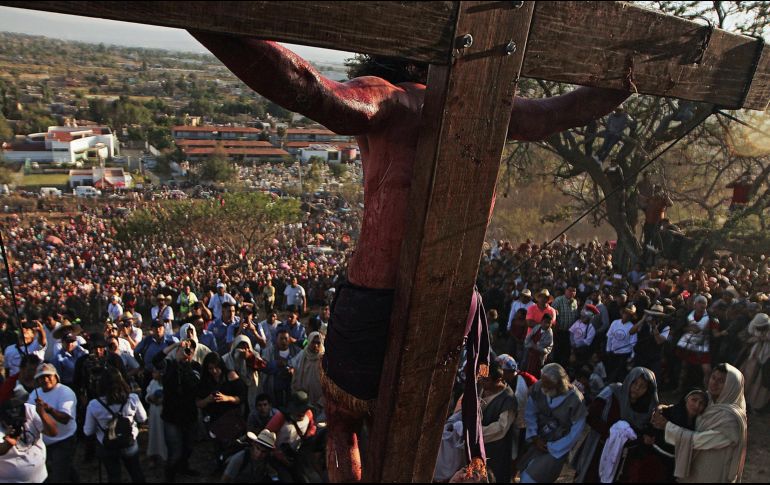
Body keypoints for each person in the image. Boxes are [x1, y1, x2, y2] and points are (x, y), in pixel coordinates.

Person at [190, 31, 629, 481]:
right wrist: (625, 77)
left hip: (375, 295)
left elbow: (307, 86)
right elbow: (560, 112)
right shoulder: (490, 109)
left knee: (343, 420)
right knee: (413, 426)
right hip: (449, 302)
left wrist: (205, 20)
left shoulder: (393, 99)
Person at [651, 363, 748, 483]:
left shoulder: (731, 420)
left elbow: (700, 440)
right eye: (713, 377)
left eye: (721, 381)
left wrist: (668, 426)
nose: (714, 383)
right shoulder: (708, 399)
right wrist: (665, 409)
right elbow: (687, 406)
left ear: (731, 386)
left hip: (712, 471)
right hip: (693, 465)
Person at [572, 367, 658, 482]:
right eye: (635, 383)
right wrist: (612, 433)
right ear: (629, 380)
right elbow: (591, 416)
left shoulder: (646, 409)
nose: (637, 388)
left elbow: (639, 434)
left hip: (622, 457)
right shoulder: (612, 392)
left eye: (643, 386)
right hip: (598, 446)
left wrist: (639, 439)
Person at [518, 363, 586, 483]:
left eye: (548, 385)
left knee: (533, 478)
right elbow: (530, 412)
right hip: (538, 439)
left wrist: (554, 447)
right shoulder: (539, 387)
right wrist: (534, 436)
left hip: (557, 446)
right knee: (525, 472)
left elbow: (576, 431)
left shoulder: (574, 399)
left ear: (559, 384)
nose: (543, 387)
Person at [83, 367, 146, 483]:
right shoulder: (132, 398)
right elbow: (143, 418)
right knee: (136, 472)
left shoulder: (94, 404)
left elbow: (88, 431)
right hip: (129, 441)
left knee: (113, 476)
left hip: (107, 445)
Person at [27, 363, 79, 482]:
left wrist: (48, 409)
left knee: (59, 475)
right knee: (62, 469)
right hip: (44, 441)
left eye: (48, 376)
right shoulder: (34, 394)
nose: (45, 379)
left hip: (64, 439)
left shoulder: (65, 392)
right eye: (41, 377)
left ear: (55, 376)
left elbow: (65, 419)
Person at [161, 339, 202, 482]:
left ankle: (184, 467)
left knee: (188, 447)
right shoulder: (169, 365)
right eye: (184, 349)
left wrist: (185, 365)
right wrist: (175, 346)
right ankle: (170, 477)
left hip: (189, 414)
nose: (186, 352)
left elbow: (195, 384)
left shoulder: (195, 366)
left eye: (189, 350)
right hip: (171, 416)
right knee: (175, 452)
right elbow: (156, 360)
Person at [649, 389, 708, 481]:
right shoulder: (665, 413)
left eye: (701, 403)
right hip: (655, 463)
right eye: (694, 400)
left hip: (675, 469)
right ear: (686, 399)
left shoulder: (700, 424)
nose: (697, 405)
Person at [0, 397, 58, 483]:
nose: (14, 411)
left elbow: (53, 432)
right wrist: (8, 442)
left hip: (40, 478)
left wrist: (42, 413)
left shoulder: (30, 410)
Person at [197, 352, 247, 448]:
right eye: (210, 368)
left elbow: (242, 397)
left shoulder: (230, 376)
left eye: (216, 367)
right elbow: (198, 403)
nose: (214, 371)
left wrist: (227, 398)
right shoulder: (205, 381)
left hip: (231, 418)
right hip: (214, 420)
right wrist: (207, 400)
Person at [479, 362, 517, 484]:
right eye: (481, 378)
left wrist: (476, 434)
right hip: (478, 449)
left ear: (499, 380)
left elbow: (501, 429)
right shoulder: (480, 388)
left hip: (496, 451)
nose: (482, 382)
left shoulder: (508, 399)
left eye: (486, 380)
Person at [676, 295, 720, 390]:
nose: (702, 305)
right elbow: (680, 327)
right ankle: (679, 388)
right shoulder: (688, 315)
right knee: (683, 367)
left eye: (704, 303)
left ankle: (708, 391)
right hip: (687, 344)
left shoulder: (711, 317)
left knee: (707, 370)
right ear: (695, 304)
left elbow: (715, 333)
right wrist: (689, 328)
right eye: (700, 302)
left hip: (703, 346)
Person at [223, 335, 265, 416]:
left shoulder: (254, 355)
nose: (244, 349)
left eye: (246, 347)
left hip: (251, 388)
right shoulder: (227, 358)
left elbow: (262, 366)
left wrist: (249, 357)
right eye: (241, 346)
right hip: (234, 392)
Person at [739, 313, 770, 413]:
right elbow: (742, 336)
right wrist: (753, 340)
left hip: (766, 362)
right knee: (746, 379)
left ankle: (755, 405)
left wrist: (765, 339)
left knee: (760, 385)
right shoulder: (752, 328)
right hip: (752, 359)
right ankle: (740, 400)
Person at [262, 329, 301, 408]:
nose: (283, 341)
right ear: (276, 339)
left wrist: (294, 371)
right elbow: (264, 366)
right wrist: (276, 364)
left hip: (291, 388)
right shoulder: (268, 351)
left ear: (289, 339)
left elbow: (301, 367)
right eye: (281, 339)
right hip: (274, 389)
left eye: (286, 338)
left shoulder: (297, 351)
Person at [290, 331, 325, 415]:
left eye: (318, 343)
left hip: (319, 397)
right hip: (304, 396)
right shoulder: (303, 354)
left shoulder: (324, 358)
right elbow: (293, 366)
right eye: (313, 342)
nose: (315, 345)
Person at [605, 304, 638, 384]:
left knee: (618, 374)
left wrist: (632, 356)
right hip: (613, 352)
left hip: (624, 354)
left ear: (631, 317)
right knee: (610, 370)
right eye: (625, 313)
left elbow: (633, 343)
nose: (626, 315)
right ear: (622, 313)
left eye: (629, 314)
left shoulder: (632, 327)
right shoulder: (615, 323)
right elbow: (609, 337)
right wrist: (608, 349)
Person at [144, 361, 167, 466]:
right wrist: (151, 398)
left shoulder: (167, 383)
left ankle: (165, 456)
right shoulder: (153, 383)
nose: (153, 374)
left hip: (164, 412)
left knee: (164, 434)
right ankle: (153, 455)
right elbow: (147, 395)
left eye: (155, 372)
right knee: (154, 434)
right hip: (154, 412)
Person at [551, 287, 580, 367]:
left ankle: (564, 369)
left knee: (566, 353)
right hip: (559, 331)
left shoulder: (575, 302)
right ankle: (554, 368)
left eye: (574, 291)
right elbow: (552, 314)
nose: (572, 292)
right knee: (557, 352)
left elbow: (576, 316)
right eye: (570, 290)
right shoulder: (558, 300)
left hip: (570, 333)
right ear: (565, 290)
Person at [523, 313, 553, 378]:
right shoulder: (537, 327)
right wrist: (530, 345)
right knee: (527, 368)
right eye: (545, 322)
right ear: (541, 321)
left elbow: (548, 348)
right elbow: (528, 338)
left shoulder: (549, 334)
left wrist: (537, 348)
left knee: (537, 373)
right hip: (530, 354)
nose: (547, 325)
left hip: (539, 357)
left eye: (549, 323)